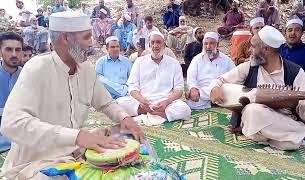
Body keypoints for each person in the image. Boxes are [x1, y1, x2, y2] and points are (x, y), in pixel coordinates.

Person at [1, 11, 144, 179]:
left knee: (125, 139)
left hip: (75, 151)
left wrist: (125, 119)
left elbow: (106, 103)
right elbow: (11, 123)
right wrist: (77, 136)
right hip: (38, 160)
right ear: (66, 38)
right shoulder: (37, 68)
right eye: (86, 37)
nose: (91, 43)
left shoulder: (86, 69)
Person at [209, 25, 305, 150]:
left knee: (290, 144)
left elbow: (303, 107)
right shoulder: (249, 67)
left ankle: (277, 134)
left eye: (254, 46)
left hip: (284, 119)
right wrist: (215, 88)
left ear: (266, 49)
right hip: (257, 116)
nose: (250, 50)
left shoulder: (295, 72)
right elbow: (219, 80)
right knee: (253, 111)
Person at [117, 31, 191, 123]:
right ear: (149, 45)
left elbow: (179, 90)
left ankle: (149, 113)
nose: (155, 45)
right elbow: (132, 87)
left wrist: (166, 102)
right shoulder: (139, 62)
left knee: (185, 109)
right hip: (143, 102)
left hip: (165, 103)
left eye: (158, 42)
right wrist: (142, 101)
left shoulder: (174, 63)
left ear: (164, 45)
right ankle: (159, 114)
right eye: (152, 42)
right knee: (118, 103)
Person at [186, 32, 235, 110]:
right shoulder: (197, 59)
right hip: (200, 93)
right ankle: (212, 97)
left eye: (211, 43)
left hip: (220, 91)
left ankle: (213, 97)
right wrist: (193, 88)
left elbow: (234, 77)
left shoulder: (227, 60)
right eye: (205, 44)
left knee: (228, 91)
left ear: (217, 44)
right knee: (192, 99)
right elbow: (191, 77)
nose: (208, 46)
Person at [0, 32, 23, 153]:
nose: (14, 54)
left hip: (21, 128)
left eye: (18, 50)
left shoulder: (28, 75)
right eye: (9, 49)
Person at [280, 18, 305, 87]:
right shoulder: (278, 50)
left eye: (297, 30)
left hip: (302, 92)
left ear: (302, 33)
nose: (293, 33)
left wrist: (299, 86)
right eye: (290, 30)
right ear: (285, 33)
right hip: (277, 90)